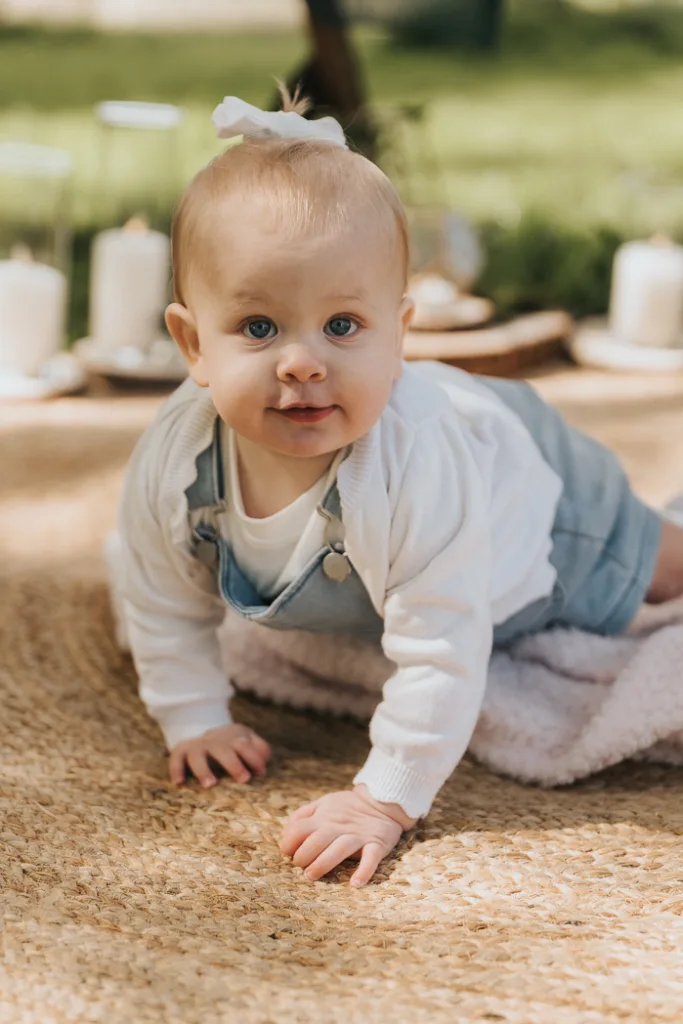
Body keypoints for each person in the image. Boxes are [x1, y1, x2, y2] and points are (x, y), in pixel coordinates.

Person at [115, 92, 683, 888]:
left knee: (661, 569)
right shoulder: (176, 461)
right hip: (451, 505)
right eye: (258, 327)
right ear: (191, 343)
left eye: (343, 326)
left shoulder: (413, 461)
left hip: (543, 509)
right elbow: (157, 594)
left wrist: (385, 798)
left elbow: (442, 650)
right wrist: (194, 715)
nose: (302, 363)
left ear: (400, 334)